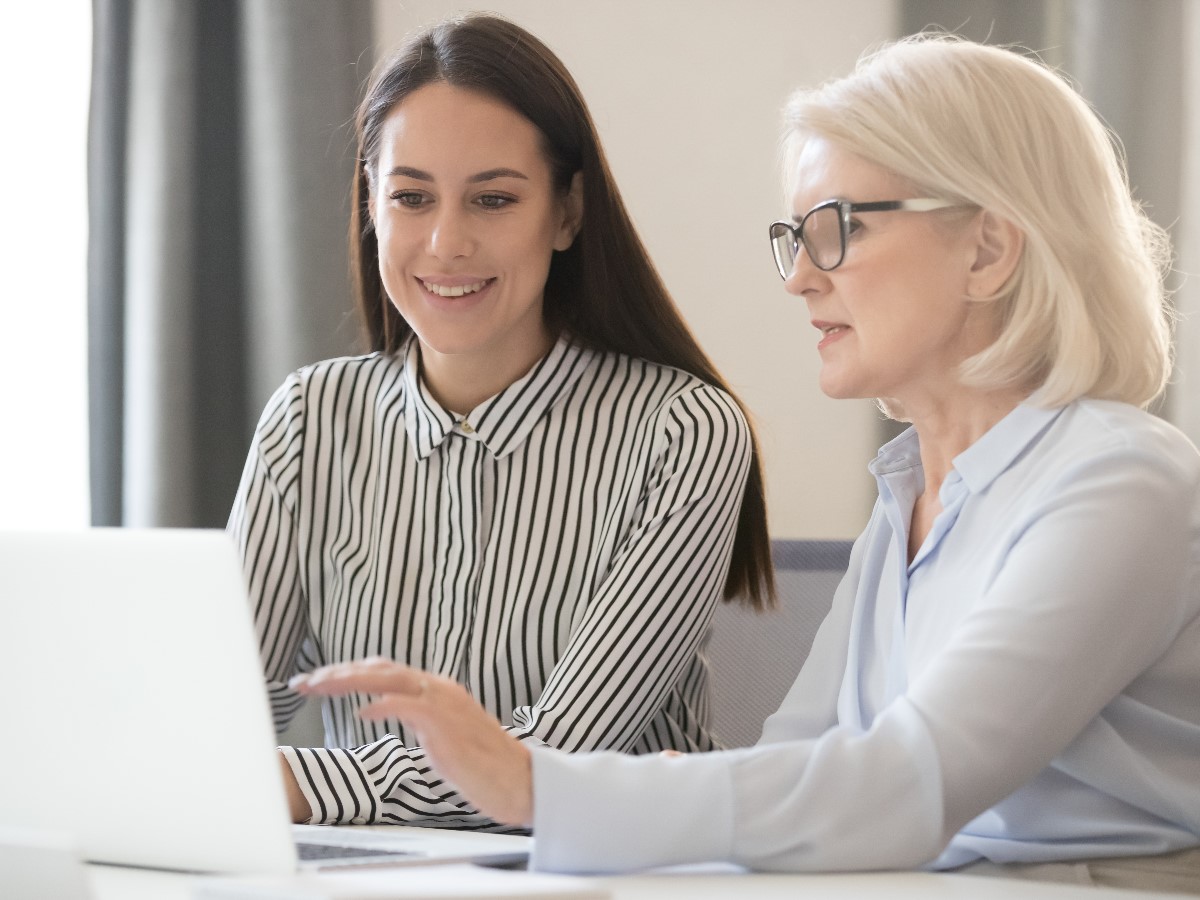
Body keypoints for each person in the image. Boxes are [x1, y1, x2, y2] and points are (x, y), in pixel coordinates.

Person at [291, 33, 1200, 891]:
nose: (802, 275)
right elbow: (797, 769)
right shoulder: (912, 501)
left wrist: (535, 783)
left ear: (989, 249)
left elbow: (902, 788)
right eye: (795, 237)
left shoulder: (1121, 484)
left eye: (839, 228)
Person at [228, 13, 774, 830]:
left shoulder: (683, 431)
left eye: (493, 199)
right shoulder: (309, 420)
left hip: (613, 877)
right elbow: (215, 727)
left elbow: (549, 770)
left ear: (566, 213)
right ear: (371, 206)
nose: (447, 242)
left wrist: (302, 785)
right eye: (411, 197)